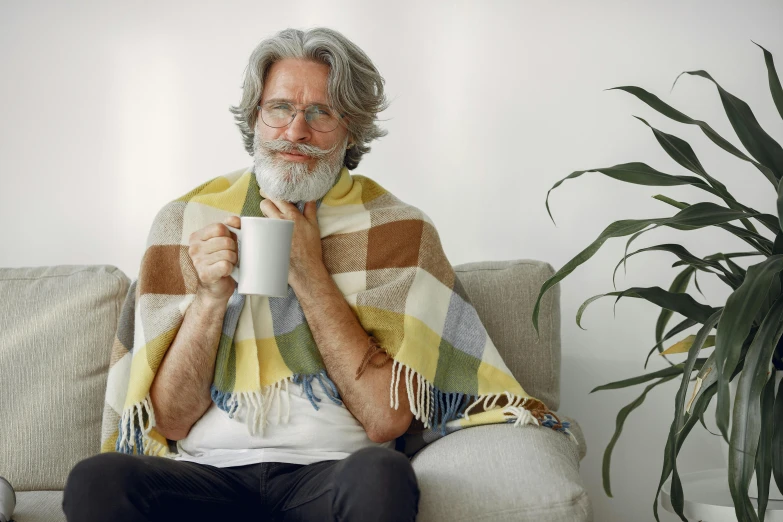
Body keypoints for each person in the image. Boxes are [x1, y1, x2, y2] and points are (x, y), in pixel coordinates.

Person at [63, 26, 570, 522]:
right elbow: (170, 420)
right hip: (206, 474)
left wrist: (309, 273)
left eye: (320, 112)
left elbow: (386, 419)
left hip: (332, 474)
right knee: (98, 480)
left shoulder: (398, 230)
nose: (295, 131)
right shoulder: (186, 221)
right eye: (279, 108)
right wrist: (209, 299)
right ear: (255, 117)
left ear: (352, 128)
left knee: (383, 475)